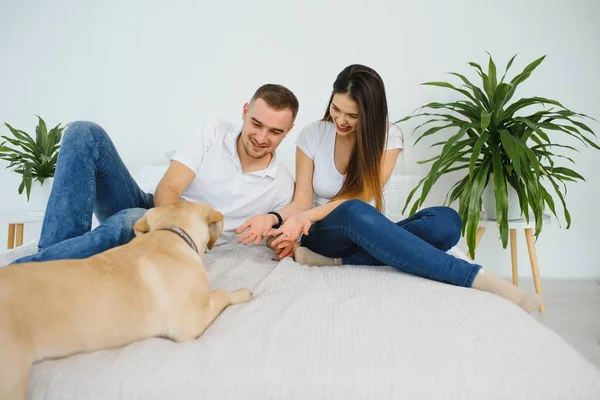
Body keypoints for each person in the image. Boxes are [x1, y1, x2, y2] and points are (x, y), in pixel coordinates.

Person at [237, 64, 541, 312]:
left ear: (370, 113)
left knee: (446, 223)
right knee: (352, 210)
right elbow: (303, 200)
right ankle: (477, 278)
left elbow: (361, 193)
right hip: (321, 232)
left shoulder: (388, 137)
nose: (340, 120)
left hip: (364, 230)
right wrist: (284, 220)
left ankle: (338, 263)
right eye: (336, 109)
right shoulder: (313, 134)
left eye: (352, 115)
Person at [12, 84, 298, 264]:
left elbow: (279, 233)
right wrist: (163, 220)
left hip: (187, 242)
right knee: (84, 132)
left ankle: (30, 271)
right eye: (256, 124)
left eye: (275, 132)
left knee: (130, 220)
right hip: (156, 207)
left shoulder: (282, 185)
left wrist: (281, 242)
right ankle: (49, 260)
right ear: (245, 112)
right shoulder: (214, 131)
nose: (261, 137)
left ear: (288, 131)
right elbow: (166, 191)